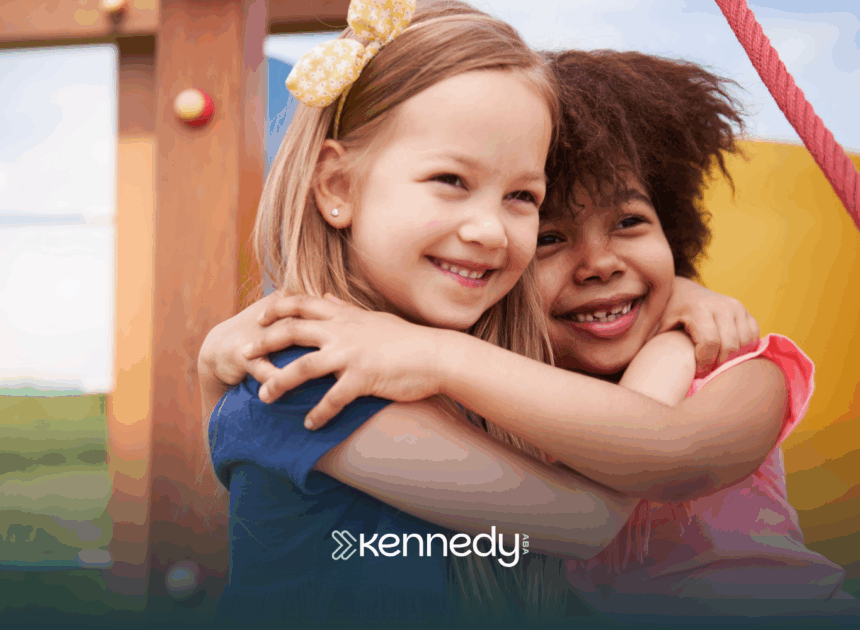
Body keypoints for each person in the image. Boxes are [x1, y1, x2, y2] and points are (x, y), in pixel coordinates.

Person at [204, 49, 860, 623]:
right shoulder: (475, 390)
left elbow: (682, 456)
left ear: (674, 229)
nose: (600, 262)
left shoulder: (734, 362)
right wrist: (214, 363)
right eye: (549, 237)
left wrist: (674, 335)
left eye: (631, 221)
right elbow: (581, 522)